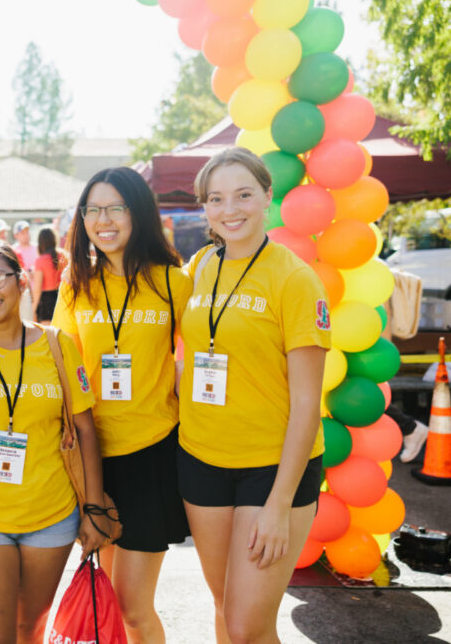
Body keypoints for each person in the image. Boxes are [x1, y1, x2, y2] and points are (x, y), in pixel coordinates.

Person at [180, 148, 329, 643]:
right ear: (204, 207)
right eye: (216, 198)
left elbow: (309, 401)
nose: (230, 209)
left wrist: (279, 504)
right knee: (226, 607)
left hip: (271, 469)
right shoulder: (201, 265)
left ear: (268, 196)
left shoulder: (295, 279)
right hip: (202, 458)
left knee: (248, 626)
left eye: (244, 194)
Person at [0, 241, 109, 643]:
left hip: (52, 517)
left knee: (29, 630)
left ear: (22, 280)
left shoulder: (57, 345)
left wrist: (94, 510)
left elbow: (85, 430)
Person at [51, 167, 191, 643]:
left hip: (152, 453)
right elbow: (61, 364)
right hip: (92, 457)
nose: (102, 219)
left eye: (115, 208)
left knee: (133, 605)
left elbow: (198, 357)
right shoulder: (76, 285)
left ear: (139, 212)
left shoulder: (173, 281)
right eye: (92, 209)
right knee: (106, 594)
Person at [31, 227, 68, 324]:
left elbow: (37, 290)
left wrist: (33, 309)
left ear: (40, 243)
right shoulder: (64, 255)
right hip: (64, 296)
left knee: (48, 334)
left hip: (47, 301)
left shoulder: (41, 260)